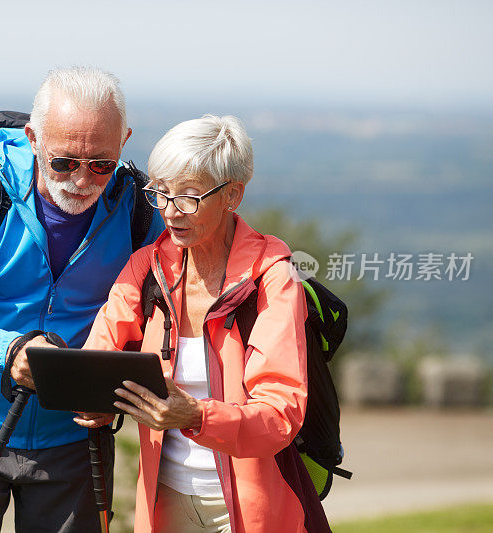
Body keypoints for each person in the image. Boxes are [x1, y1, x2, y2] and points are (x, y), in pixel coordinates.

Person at [0, 67, 163, 533]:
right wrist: (7, 353)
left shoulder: (140, 211)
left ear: (124, 142)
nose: (83, 180)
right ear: (32, 137)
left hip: (75, 437)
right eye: (64, 162)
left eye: (102, 164)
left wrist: (116, 393)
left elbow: (164, 323)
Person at [79, 115, 330, 532]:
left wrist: (195, 416)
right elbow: (96, 358)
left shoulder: (273, 278)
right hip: (165, 503)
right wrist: (95, 400)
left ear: (233, 195)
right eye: (161, 192)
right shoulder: (147, 267)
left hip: (253, 509)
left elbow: (281, 414)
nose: (169, 210)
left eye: (189, 196)